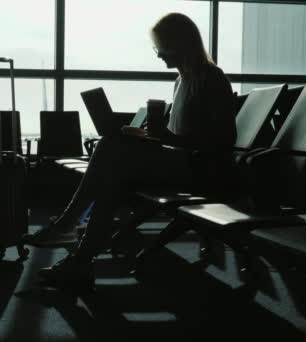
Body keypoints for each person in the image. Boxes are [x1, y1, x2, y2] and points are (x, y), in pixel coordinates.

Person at [25, 12, 236, 289]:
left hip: (198, 169)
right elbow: (176, 138)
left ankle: (67, 229)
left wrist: (168, 138)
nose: (158, 54)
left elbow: (224, 139)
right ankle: (80, 260)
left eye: (161, 47)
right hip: (179, 162)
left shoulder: (212, 78)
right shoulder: (181, 81)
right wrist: (152, 136)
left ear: (179, 44)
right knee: (112, 172)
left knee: (110, 151)